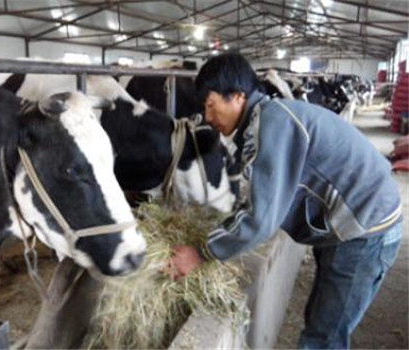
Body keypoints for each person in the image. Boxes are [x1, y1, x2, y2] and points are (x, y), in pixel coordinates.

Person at [169, 52, 403, 349]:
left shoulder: (274, 123)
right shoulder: (266, 119)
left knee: (323, 338)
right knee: (318, 318)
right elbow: (263, 197)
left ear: (238, 96)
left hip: (365, 229)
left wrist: (203, 251)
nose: (208, 116)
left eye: (211, 105)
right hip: (353, 221)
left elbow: (261, 218)